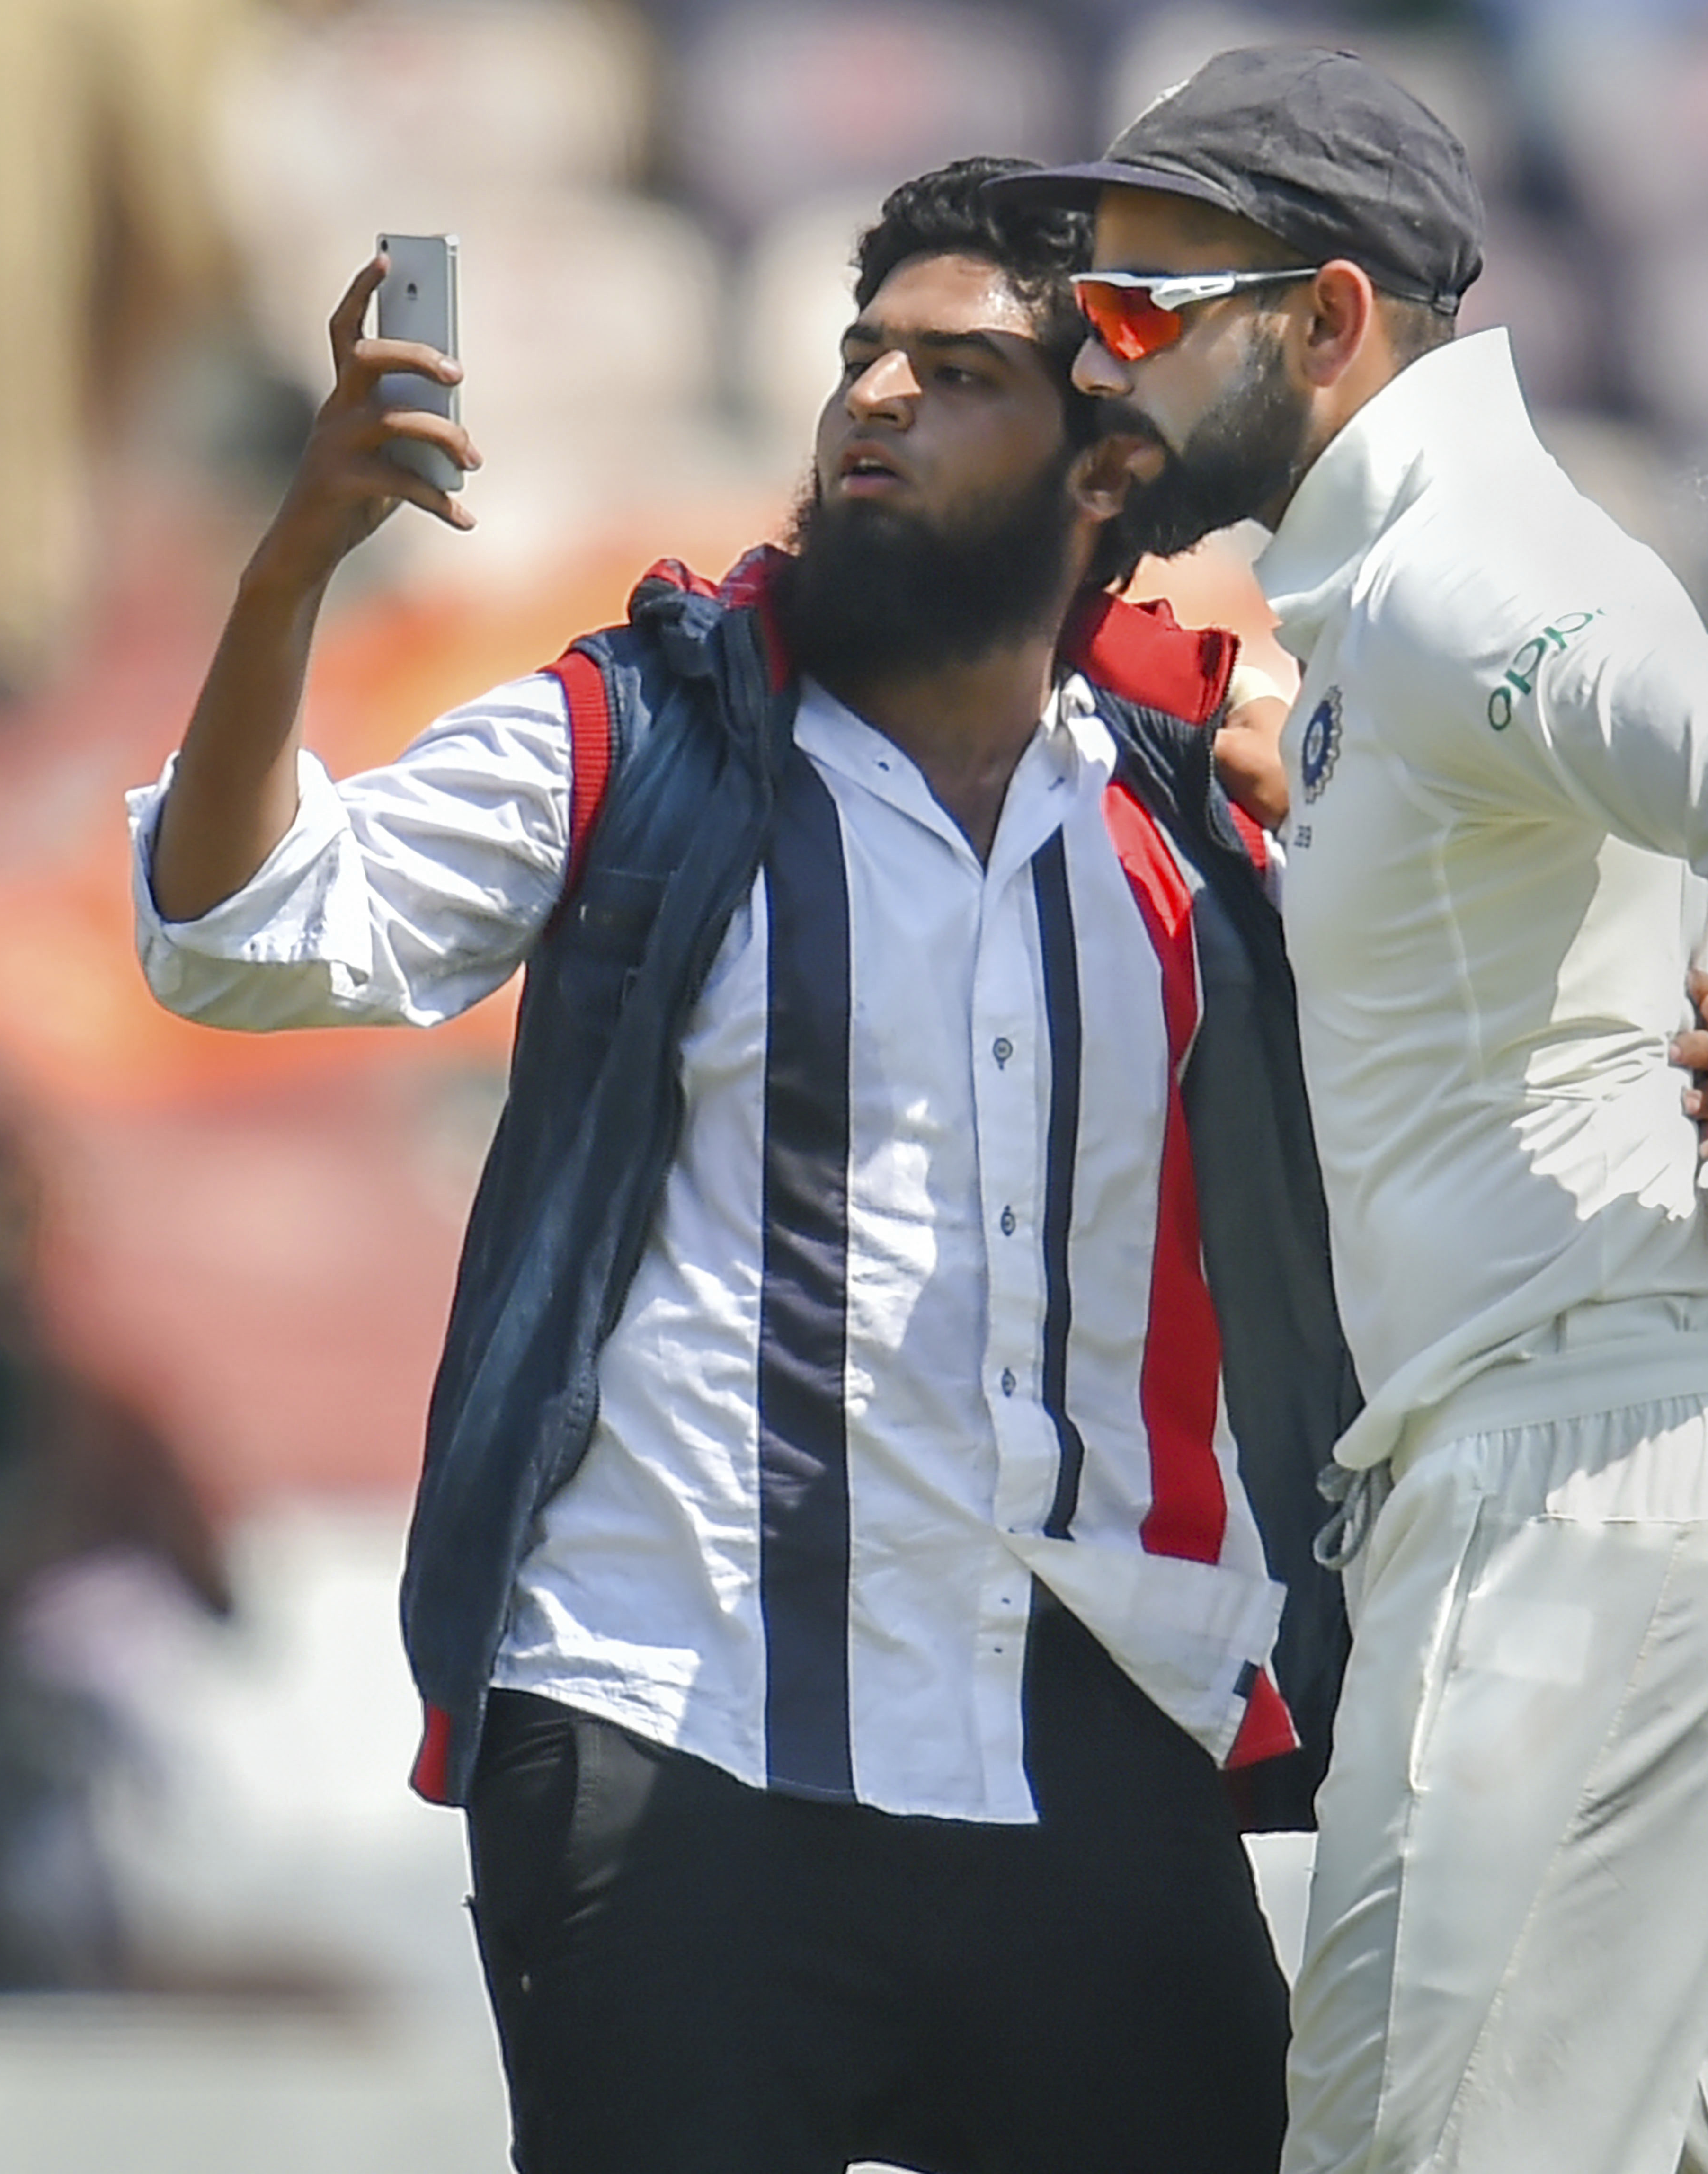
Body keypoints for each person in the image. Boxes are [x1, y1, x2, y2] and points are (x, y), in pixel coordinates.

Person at [129, 156, 1367, 2174]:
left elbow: (1532, 987)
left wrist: (1704, 981)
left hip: (1099, 1760)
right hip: (675, 1733)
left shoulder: (1210, 795)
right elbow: (239, 929)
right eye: (859, 357)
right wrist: (296, 566)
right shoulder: (640, 733)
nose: (876, 398)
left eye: (957, 370)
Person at [1009, 45, 1708, 2174]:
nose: (1102, 360)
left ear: (1330, 320)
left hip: (1568, 1513)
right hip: (1658, 1479)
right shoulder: (1407, 599)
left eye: (1155, 311)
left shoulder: (1454, 585)